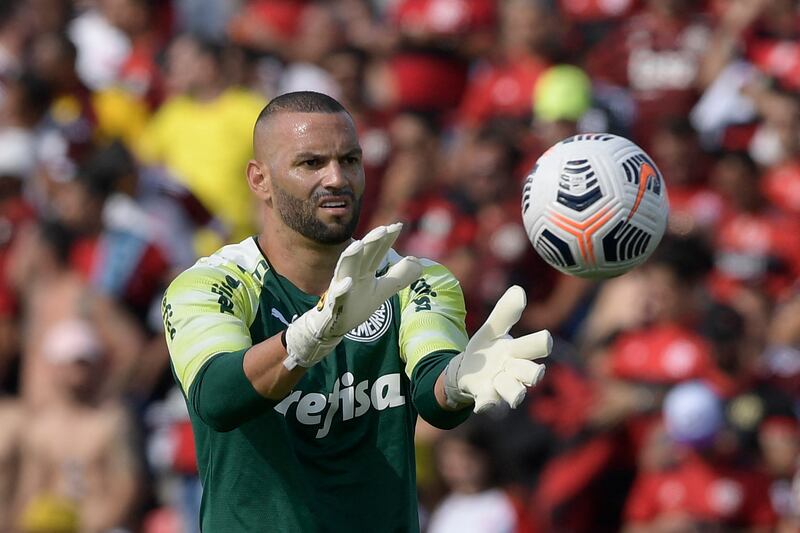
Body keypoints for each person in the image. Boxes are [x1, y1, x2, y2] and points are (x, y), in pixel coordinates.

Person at [162, 91, 552, 531]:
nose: (336, 179)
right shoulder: (210, 286)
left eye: (349, 160)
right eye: (311, 163)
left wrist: (460, 380)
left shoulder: (413, 278)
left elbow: (434, 392)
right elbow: (217, 397)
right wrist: (307, 339)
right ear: (260, 180)